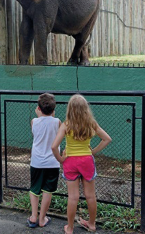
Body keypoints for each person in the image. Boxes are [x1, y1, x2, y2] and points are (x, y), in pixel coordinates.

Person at [52, 94, 112, 234]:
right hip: (87, 161)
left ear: (70, 109)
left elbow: (54, 146)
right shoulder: (91, 123)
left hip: (70, 162)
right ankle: (91, 225)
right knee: (90, 196)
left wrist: (61, 159)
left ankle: (70, 228)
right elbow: (107, 139)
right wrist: (93, 151)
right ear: (86, 108)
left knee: (73, 197)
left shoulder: (66, 124)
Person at [27, 93, 62, 228]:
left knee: (35, 189)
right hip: (53, 162)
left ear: (39, 109)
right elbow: (52, 123)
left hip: (36, 161)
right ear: (53, 109)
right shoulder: (57, 122)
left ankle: (33, 216)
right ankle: (42, 218)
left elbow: (38, 128)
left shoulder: (34, 121)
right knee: (48, 190)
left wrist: (40, 115)